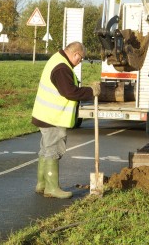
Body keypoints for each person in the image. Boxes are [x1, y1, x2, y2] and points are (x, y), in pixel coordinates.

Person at [31, 41, 95, 198]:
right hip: (53, 117)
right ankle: (52, 189)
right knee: (53, 150)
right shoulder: (62, 68)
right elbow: (70, 92)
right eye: (81, 59)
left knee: (46, 149)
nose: (80, 62)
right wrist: (91, 91)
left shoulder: (57, 60)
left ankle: (42, 184)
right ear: (75, 54)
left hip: (44, 114)